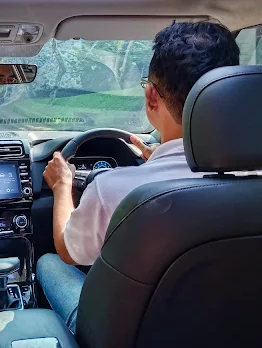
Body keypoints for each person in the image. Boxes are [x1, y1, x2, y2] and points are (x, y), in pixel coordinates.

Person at [36, 22, 241, 332]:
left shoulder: (114, 190)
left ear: (151, 97)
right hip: (236, 327)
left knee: (48, 263)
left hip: (130, 334)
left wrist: (63, 186)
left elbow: (68, 250)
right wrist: (157, 159)